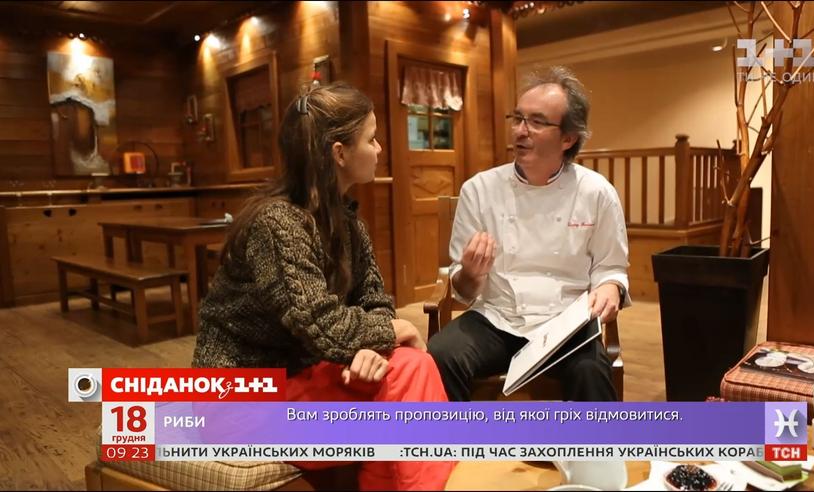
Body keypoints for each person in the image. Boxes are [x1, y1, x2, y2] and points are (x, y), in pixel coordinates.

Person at [192, 82, 454, 490]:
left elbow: (373, 300)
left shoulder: (347, 222)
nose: (380, 148)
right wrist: (393, 331)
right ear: (339, 153)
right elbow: (319, 322)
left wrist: (371, 346)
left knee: (407, 368)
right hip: (238, 402)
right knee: (409, 379)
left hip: (306, 375)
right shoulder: (276, 224)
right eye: (371, 138)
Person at [427, 66, 631, 402]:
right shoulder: (479, 190)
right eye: (518, 118)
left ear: (568, 138)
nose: (521, 131)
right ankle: (456, 438)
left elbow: (611, 267)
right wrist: (471, 274)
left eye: (537, 122)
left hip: (564, 324)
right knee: (440, 355)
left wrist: (610, 286)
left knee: (590, 370)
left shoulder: (596, 192)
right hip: (497, 318)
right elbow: (462, 290)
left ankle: (595, 440)